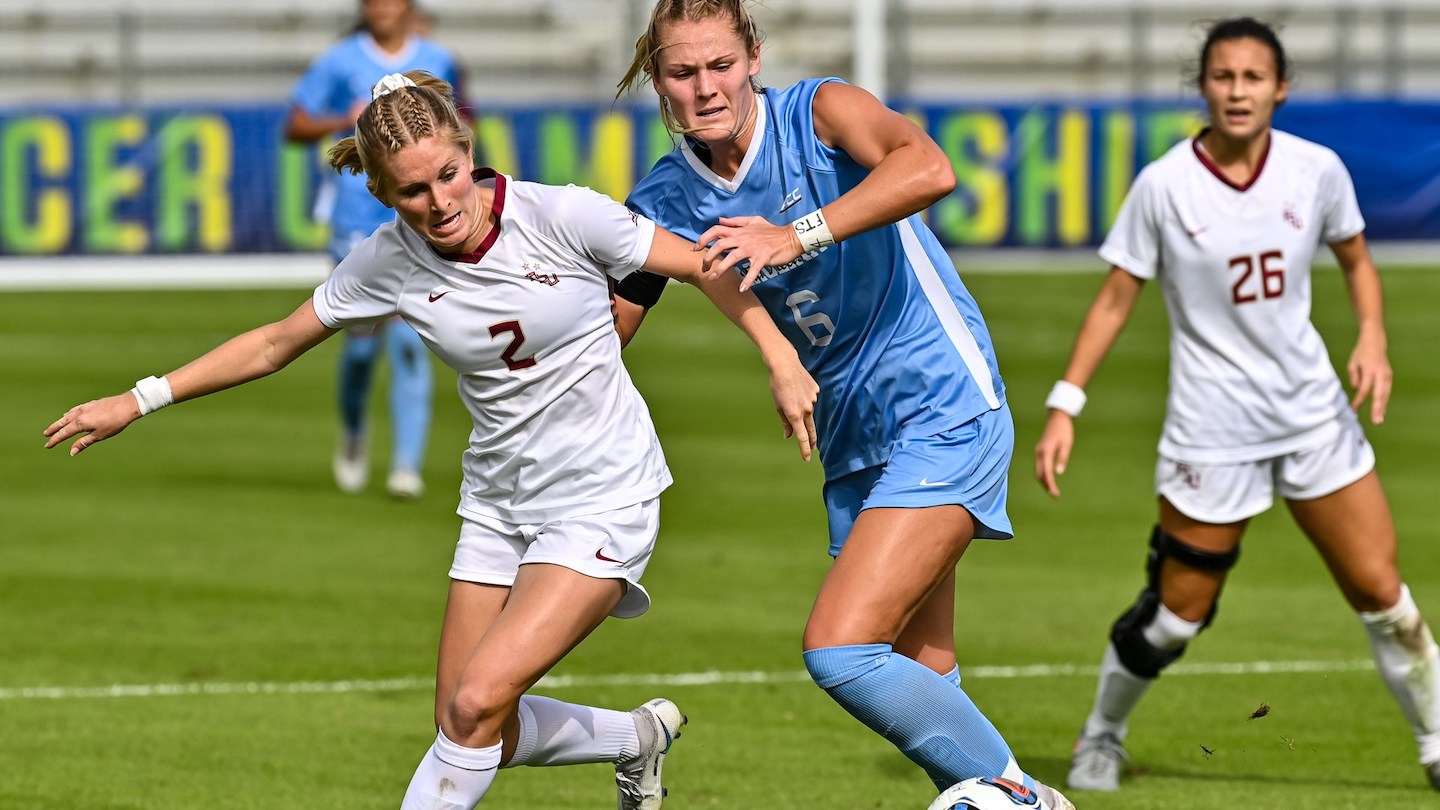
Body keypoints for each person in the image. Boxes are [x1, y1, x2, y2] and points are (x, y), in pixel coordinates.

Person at [45, 71, 818, 810]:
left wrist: (780, 358)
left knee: (480, 700)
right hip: (498, 501)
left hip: (603, 494)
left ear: (469, 152)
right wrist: (139, 399)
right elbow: (277, 343)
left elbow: (706, 265)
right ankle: (635, 738)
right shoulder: (386, 260)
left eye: (448, 175)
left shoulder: (561, 216)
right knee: (465, 719)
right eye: (412, 191)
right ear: (382, 194)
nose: (441, 201)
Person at [614, 3, 1074, 808]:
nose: (706, 88)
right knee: (922, 670)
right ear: (658, 77)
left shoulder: (819, 113)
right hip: (853, 434)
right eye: (683, 72)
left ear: (754, 55)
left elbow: (929, 169)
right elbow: (610, 327)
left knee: (842, 650)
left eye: (721, 65)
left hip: (941, 398)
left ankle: (1025, 797)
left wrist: (799, 234)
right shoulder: (665, 195)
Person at [1032, 16, 1440, 794]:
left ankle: (1437, 745)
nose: (1238, 91)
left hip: (1313, 418)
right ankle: (1102, 735)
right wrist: (1065, 403)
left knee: (1386, 600)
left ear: (1280, 88)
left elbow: (1355, 259)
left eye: (1254, 77)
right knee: (1174, 618)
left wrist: (1374, 337)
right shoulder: (1164, 184)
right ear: (1204, 87)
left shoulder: (1316, 169)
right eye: (1223, 77)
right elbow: (1118, 298)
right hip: (1211, 430)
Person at [285, 0, 467, 499]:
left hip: (418, 215)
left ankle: (406, 466)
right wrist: (342, 124)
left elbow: (453, 127)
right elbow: (294, 126)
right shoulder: (341, 59)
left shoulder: (437, 58)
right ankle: (353, 431)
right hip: (355, 218)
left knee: (410, 340)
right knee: (361, 348)